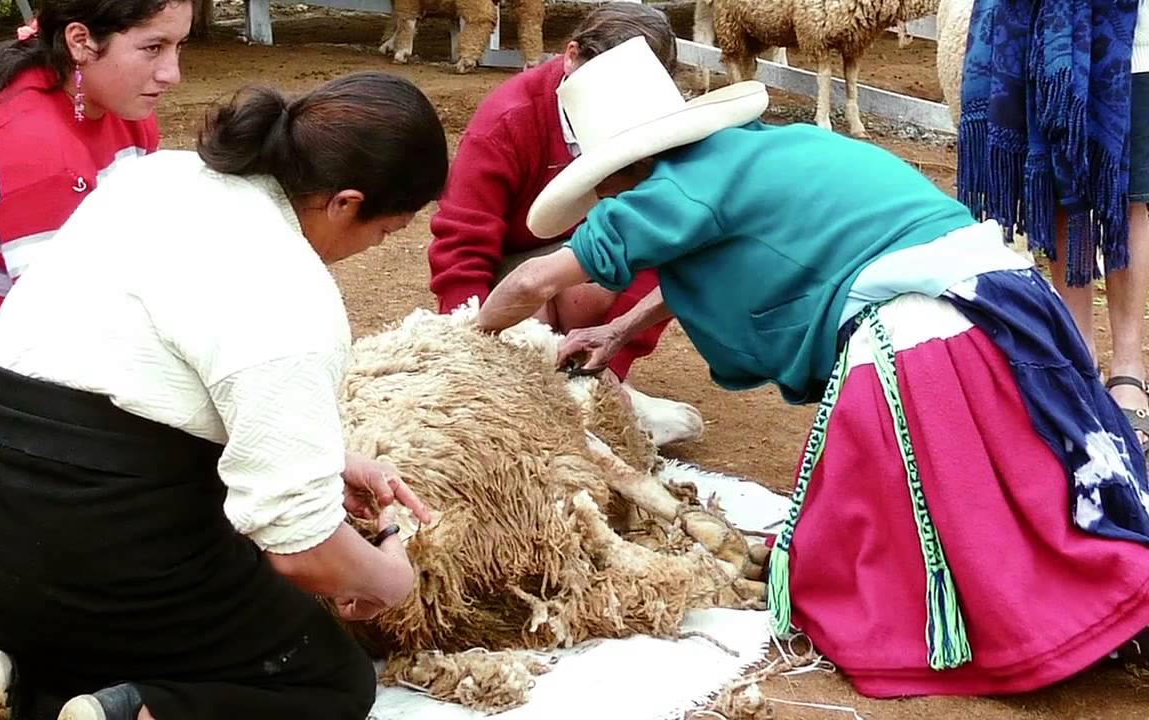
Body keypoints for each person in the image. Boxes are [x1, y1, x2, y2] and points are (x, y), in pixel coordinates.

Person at [479, 37, 1149, 697]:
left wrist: (459, 342)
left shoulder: (665, 195)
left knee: (898, 551)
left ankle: (1056, 623)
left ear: (613, 171)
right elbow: (706, 256)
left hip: (931, 336)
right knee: (1046, 494)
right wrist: (621, 327)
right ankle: (1110, 596)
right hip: (1008, 306)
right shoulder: (752, 151)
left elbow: (534, 282)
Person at [0, 72, 447, 720]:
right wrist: (388, 580)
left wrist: (326, 460)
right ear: (345, 202)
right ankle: (132, 710)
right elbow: (303, 550)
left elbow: (129, 373)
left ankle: (37, 679)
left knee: (170, 590)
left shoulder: (157, 177)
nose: (372, 249)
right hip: (96, 547)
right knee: (326, 679)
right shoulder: (290, 287)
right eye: (386, 231)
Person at [0, 0, 193, 480]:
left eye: (178, 46)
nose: (172, 73)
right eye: (152, 48)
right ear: (80, 41)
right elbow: (68, 335)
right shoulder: (33, 146)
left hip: (37, 365)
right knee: (159, 504)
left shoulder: (116, 103)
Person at [426, 1, 702, 446]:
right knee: (529, 297)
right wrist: (470, 346)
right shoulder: (509, 118)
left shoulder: (656, 127)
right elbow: (463, 243)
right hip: (516, 266)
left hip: (583, 262)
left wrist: (616, 352)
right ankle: (527, 376)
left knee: (598, 277)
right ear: (571, 55)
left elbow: (658, 240)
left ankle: (586, 377)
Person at [957, 0, 1149, 450]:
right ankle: (1079, 356)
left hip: (1136, 45)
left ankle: (1129, 367)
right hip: (1046, 35)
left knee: (1132, 198)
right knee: (1062, 186)